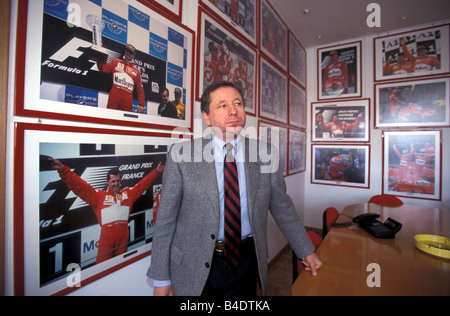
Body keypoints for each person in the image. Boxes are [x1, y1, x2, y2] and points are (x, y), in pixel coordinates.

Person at [147, 81, 322, 296]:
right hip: (194, 264)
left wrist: (306, 250)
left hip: (245, 261)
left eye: (237, 103)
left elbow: (282, 208)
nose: (233, 110)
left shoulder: (265, 153)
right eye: (222, 105)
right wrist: (161, 278)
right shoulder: (181, 156)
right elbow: (165, 221)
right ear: (206, 116)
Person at [48, 158, 164, 264]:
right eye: (113, 181)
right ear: (107, 182)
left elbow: (142, 185)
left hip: (123, 235)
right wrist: (63, 170)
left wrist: (156, 171)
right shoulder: (98, 197)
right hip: (106, 237)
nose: (116, 184)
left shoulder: (127, 194)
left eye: (118, 181)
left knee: (121, 266)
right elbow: (79, 186)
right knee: (102, 267)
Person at [99, 44, 145, 113]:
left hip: (128, 96)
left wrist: (141, 104)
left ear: (134, 56)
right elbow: (103, 69)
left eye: (130, 52)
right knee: (111, 115)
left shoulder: (137, 72)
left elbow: (140, 89)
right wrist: (98, 55)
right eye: (127, 51)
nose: (128, 53)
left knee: (126, 119)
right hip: (115, 92)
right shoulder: (115, 62)